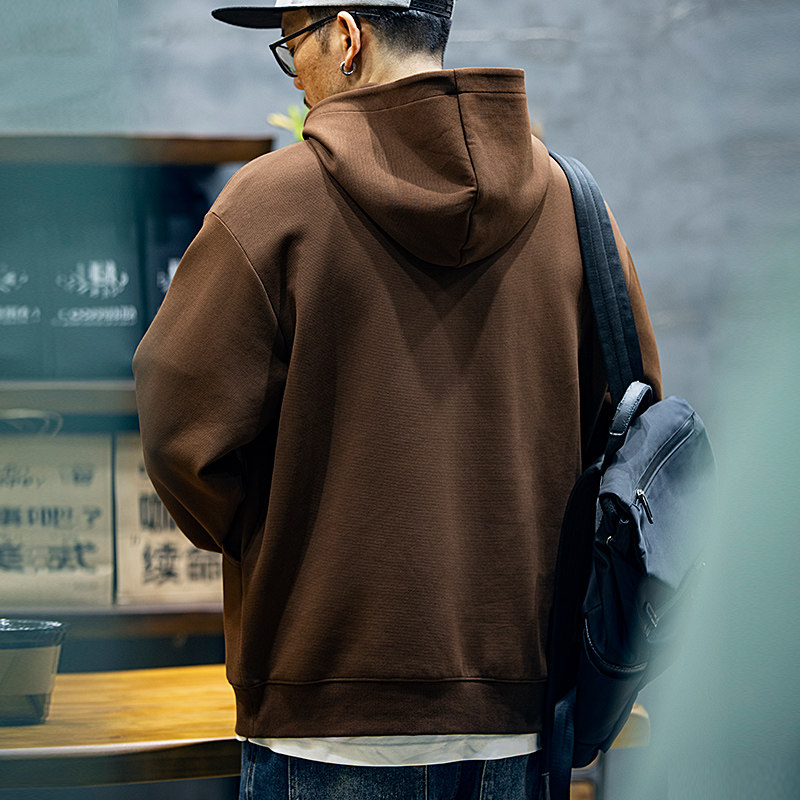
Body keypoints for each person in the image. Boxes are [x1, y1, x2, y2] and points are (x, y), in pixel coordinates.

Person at [132, 1, 662, 797]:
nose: (294, 71)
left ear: (347, 37)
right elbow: (633, 435)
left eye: (292, 41)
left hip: (326, 714)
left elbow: (178, 428)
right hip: (520, 715)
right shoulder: (575, 209)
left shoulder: (271, 205)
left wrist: (289, 538)